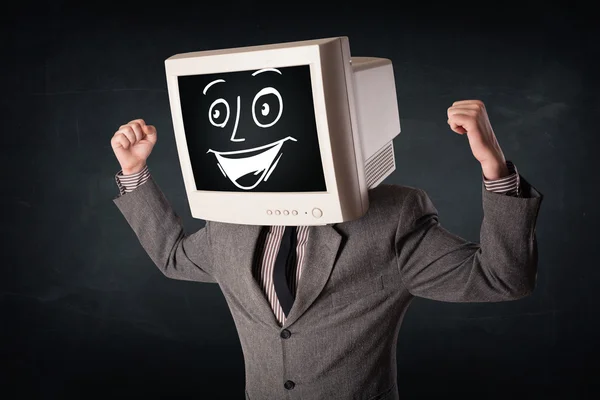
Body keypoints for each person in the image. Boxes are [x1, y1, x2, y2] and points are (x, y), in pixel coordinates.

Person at [111, 100, 542, 400]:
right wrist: (135, 173)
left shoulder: (390, 217)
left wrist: (494, 167)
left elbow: (502, 279)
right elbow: (173, 258)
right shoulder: (230, 218)